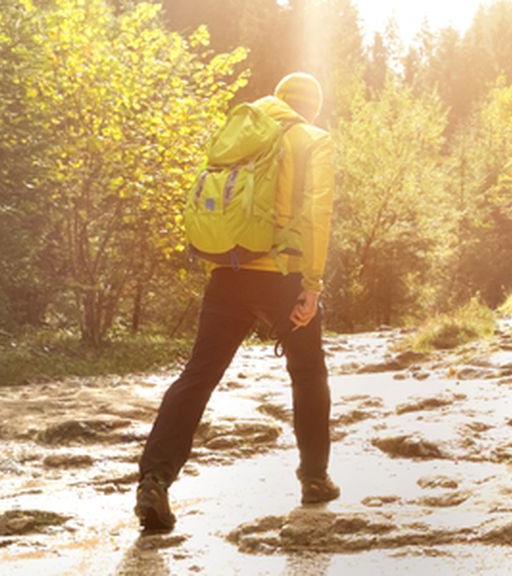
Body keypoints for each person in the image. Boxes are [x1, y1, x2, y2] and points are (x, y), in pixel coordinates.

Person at [135, 73, 337, 534]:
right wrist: (313, 284)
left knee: (199, 375)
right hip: (282, 276)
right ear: (312, 108)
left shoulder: (240, 134)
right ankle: (314, 479)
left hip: (227, 272)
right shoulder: (312, 139)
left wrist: (220, 268)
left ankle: (154, 479)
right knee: (307, 373)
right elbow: (317, 212)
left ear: (278, 100)